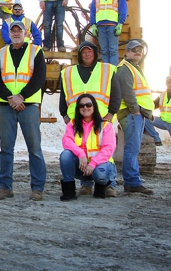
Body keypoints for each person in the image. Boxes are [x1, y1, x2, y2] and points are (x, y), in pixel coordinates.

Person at [0, 21, 47, 201]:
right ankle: (5, 187)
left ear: (25, 33)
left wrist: (21, 96)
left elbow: (39, 78)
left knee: (34, 148)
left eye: (19, 30)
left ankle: (37, 188)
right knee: (6, 149)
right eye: (13, 31)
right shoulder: (0, 54)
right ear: (9, 33)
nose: (16, 33)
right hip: (7, 106)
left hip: (28, 105)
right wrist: (10, 98)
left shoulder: (36, 51)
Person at [60, 41, 121, 196]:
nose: (87, 54)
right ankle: (86, 185)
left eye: (90, 52)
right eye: (84, 52)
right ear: (80, 55)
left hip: (101, 120)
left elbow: (116, 93)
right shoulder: (68, 73)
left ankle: (109, 184)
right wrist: (65, 115)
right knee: (81, 148)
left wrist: (111, 113)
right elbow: (63, 95)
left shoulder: (107, 70)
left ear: (95, 54)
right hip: (77, 122)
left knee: (103, 150)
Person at [59, 94, 117, 201]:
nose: (85, 107)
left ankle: (101, 187)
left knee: (100, 174)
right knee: (65, 155)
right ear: (78, 109)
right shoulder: (72, 124)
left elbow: (109, 148)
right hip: (81, 166)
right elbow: (67, 141)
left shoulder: (105, 126)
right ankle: (69, 191)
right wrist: (80, 154)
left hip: (99, 166)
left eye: (88, 104)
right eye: (81, 106)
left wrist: (93, 163)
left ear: (94, 107)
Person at [116, 40, 154, 195]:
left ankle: (132, 181)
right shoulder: (125, 69)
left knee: (133, 148)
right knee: (132, 149)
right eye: (133, 50)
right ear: (126, 53)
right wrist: (135, 110)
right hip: (132, 114)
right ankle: (132, 182)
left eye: (139, 49)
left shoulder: (134, 68)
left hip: (136, 114)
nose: (137, 52)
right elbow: (127, 91)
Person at [89, 0, 128, 66]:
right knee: (104, 51)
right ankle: (106, 71)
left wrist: (120, 24)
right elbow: (93, 11)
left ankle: (113, 71)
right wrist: (93, 25)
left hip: (112, 26)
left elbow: (123, 10)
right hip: (100, 27)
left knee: (113, 50)